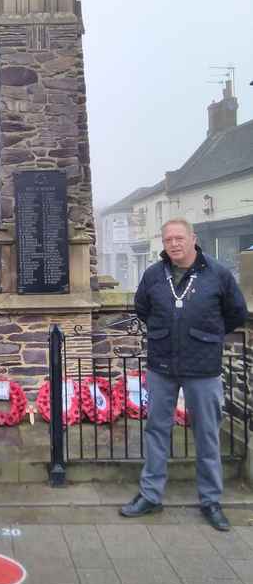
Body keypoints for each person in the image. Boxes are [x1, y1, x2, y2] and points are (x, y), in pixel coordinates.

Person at [120, 218, 247, 531]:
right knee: (156, 431)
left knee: (207, 434)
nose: (174, 244)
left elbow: (236, 313)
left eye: (179, 238)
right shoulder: (153, 274)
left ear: (193, 238)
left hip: (203, 367)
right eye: (168, 240)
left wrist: (208, 336)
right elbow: (142, 308)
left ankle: (211, 500)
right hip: (162, 365)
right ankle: (151, 495)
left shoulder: (218, 274)